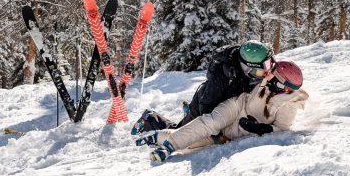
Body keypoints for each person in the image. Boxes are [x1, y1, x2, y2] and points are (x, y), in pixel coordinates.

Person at [134, 60, 308, 162]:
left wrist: (260, 128)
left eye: (273, 76)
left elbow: (283, 129)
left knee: (198, 140)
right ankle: (168, 147)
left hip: (235, 130)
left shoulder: (289, 105)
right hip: (236, 106)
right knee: (210, 122)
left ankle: (158, 136)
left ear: (282, 85)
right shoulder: (269, 81)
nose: (268, 75)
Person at [131, 40, 275, 133]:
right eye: (266, 66)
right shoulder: (222, 78)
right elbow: (206, 109)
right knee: (178, 133)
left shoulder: (249, 73)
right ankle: (150, 119)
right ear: (248, 67)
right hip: (202, 105)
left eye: (270, 62)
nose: (269, 69)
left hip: (219, 104)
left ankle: (187, 112)